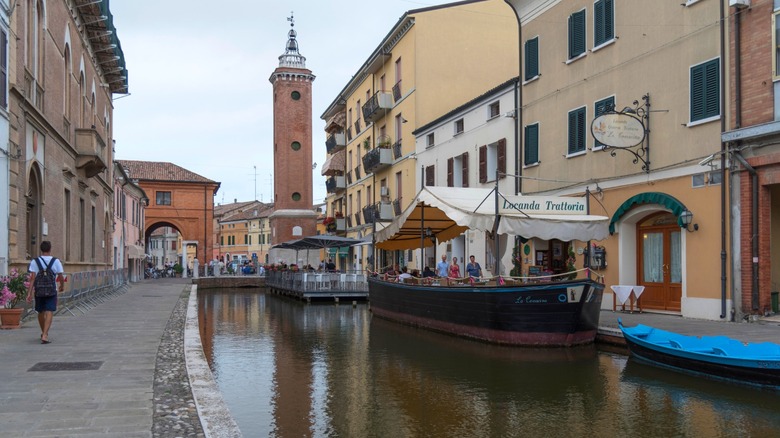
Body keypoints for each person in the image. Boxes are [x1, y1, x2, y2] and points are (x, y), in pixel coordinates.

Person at [26, 241, 65, 344]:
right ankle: (45, 334)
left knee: (40, 311)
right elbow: (60, 276)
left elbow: (32, 278)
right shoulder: (55, 261)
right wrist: (62, 285)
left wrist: (29, 293)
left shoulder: (35, 261)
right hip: (51, 290)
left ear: (41, 249)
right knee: (49, 311)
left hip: (39, 290)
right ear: (50, 249)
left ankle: (43, 332)